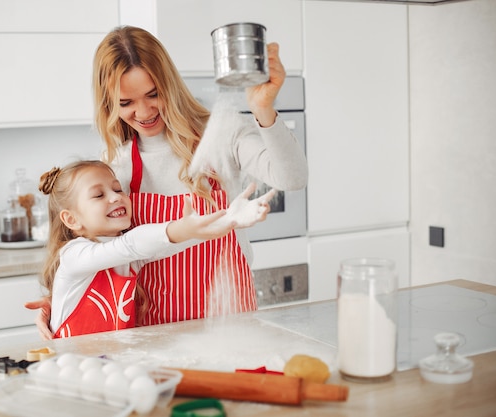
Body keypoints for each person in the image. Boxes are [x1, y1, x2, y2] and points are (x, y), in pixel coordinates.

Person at [26, 26, 308, 339]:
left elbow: (292, 178)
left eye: (153, 94)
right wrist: (64, 300)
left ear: (169, 85)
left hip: (230, 324)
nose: (144, 112)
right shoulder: (114, 168)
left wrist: (263, 108)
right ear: (109, 103)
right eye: (126, 103)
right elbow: (99, 251)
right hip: (152, 333)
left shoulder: (220, 134)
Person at [37, 159, 273, 338]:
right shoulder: (74, 255)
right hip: (70, 363)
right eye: (98, 195)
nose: (116, 198)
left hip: (109, 360)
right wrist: (181, 228)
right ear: (71, 220)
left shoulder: (126, 257)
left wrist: (229, 220)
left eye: (118, 190)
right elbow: (132, 245)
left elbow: (170, 245)